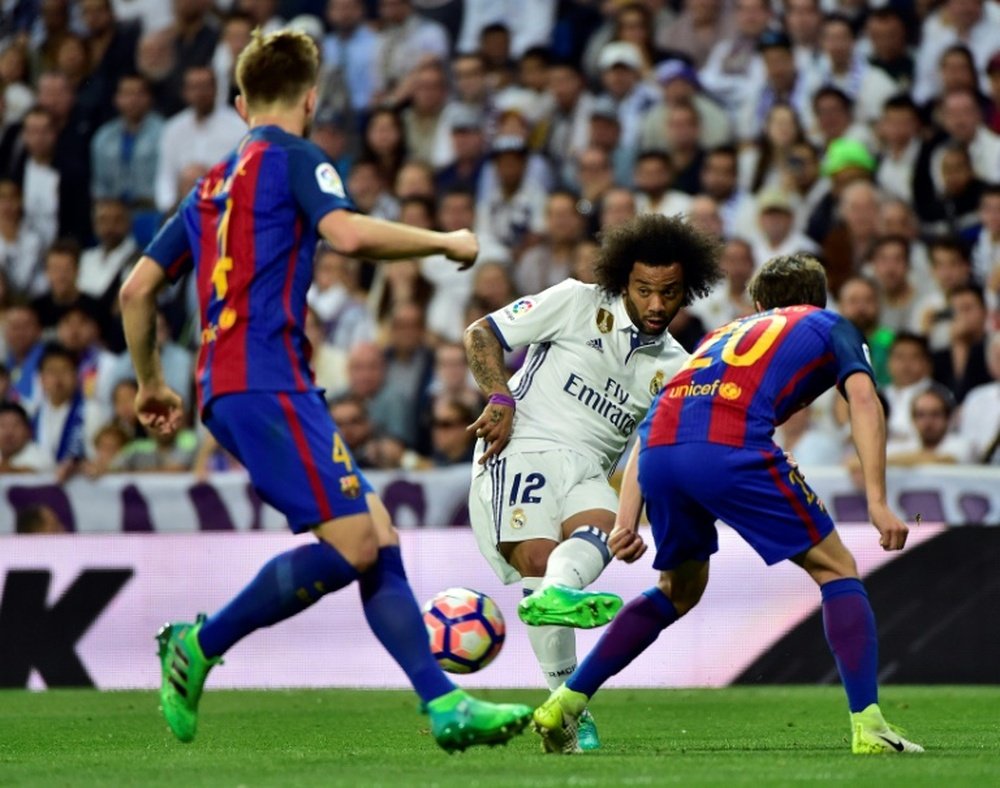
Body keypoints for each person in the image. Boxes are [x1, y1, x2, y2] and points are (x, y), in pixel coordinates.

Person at [118, 29, 530, 752]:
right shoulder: (296, 157)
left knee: (378, 537)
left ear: (241, 102)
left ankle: (444, 706)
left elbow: (136, 289)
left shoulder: (209, 183)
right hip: (264, 378)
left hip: (240, 381)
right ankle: (199, 641)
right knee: (351, 546)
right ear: (311, 98)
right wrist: (446, 241)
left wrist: (151, 380)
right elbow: (349, 234)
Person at [532, 253, 924, 756]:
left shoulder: (717, 336)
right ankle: (870, 727)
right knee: (837, 567)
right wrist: (877, 500)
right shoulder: (829, 323)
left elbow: (654, 418)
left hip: (659, 456)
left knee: (677, 589)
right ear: (818, 300)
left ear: (759, 304)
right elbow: (865, 401)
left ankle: (564, 702)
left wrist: (625, 520)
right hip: (730, 447)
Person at [464, 213, 722, 750]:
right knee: (536, 557)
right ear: (621, 281)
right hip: (523, 441)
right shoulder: (577, 301)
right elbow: (482, 333)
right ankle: (571, 709)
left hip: (592, 469)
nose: (656, 305)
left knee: (601, 532)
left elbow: (654, 447)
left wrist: (634, 519)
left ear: (687, 291)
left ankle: (560, 657)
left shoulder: (679, 367)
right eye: (644, 290)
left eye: (669, 293)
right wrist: (498, 395)